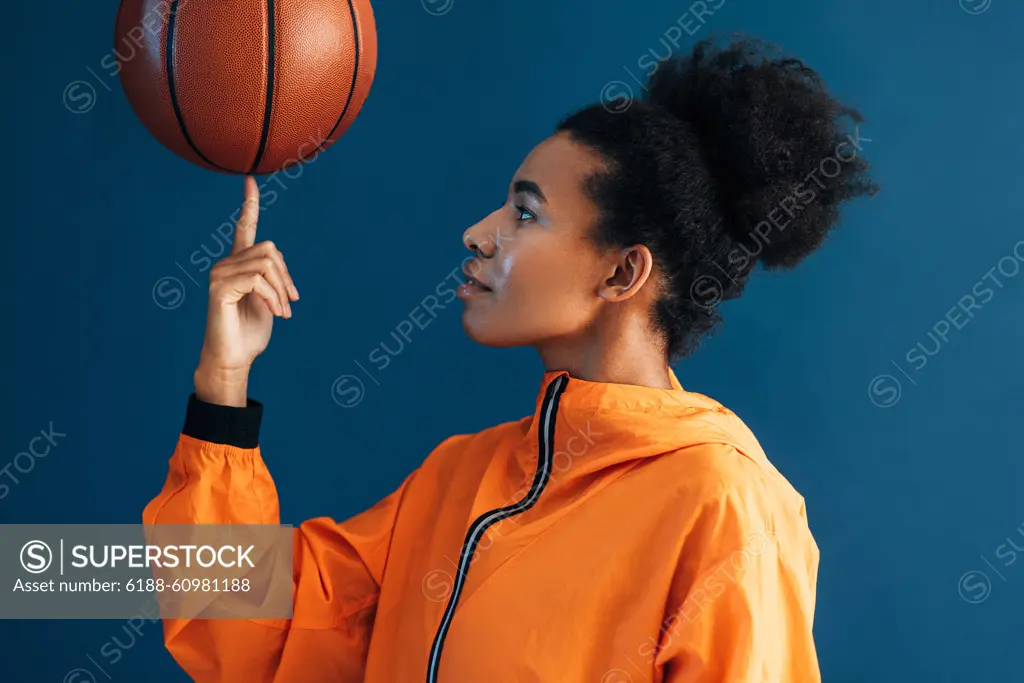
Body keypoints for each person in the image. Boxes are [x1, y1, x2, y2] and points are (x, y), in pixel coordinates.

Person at [144, 37, 876, 683]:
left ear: (623, 274)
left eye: (525, 213)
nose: (477, 233)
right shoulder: (458, 480)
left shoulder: (724, 507)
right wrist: (223, 384)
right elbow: (248, 628)